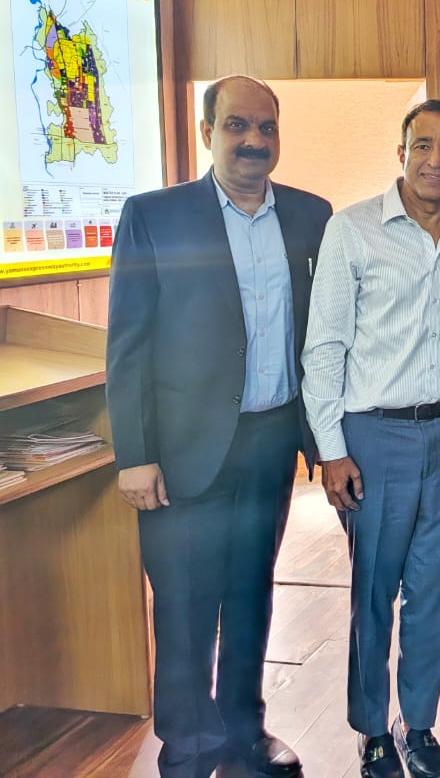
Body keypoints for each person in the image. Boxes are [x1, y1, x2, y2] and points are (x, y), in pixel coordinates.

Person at [107, 76, 332, 778]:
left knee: (251, 595)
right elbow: (128, 344)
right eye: (237, 125)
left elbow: (321, 333)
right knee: (183, 603)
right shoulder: (154, 216)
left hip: (271, 441)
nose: (253, 141)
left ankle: (243, 732)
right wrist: (135, 454)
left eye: (266, 127)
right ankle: (187, 745)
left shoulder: (311, 215)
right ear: (208, 132)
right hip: (182, 452)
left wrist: (322, 440)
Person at [300, 100, 440, 778]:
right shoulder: (352, 230)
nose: (436, 160)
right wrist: (331, 448)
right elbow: (324, 346)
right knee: (374, 591)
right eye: (423, 145)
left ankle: (420, 724)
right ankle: (371, 729)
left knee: (433, 591)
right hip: (373, 435)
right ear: (402, 152)